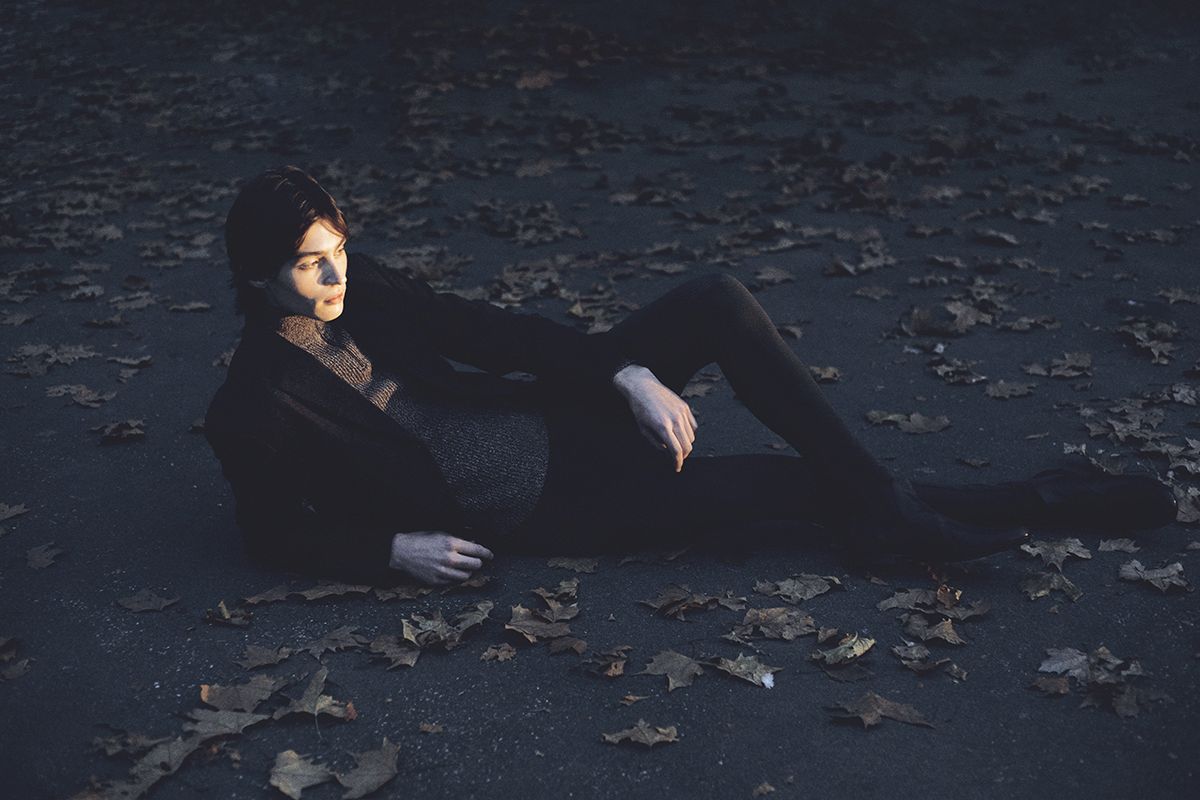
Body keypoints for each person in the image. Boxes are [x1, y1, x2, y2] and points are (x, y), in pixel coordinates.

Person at [204, 166, 1179, 586]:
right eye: (310, 264)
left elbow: (494, 333)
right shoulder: (255, 402)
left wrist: (624, 369)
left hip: (560, 422)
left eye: (338, 249)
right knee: (793, 486)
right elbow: (271, 532)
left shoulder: (362, 285)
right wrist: (392, 550)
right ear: (257, 276)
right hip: (554, 508)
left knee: (715, 300)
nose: (335, 275)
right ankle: (1044, 498)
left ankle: (896, 512)